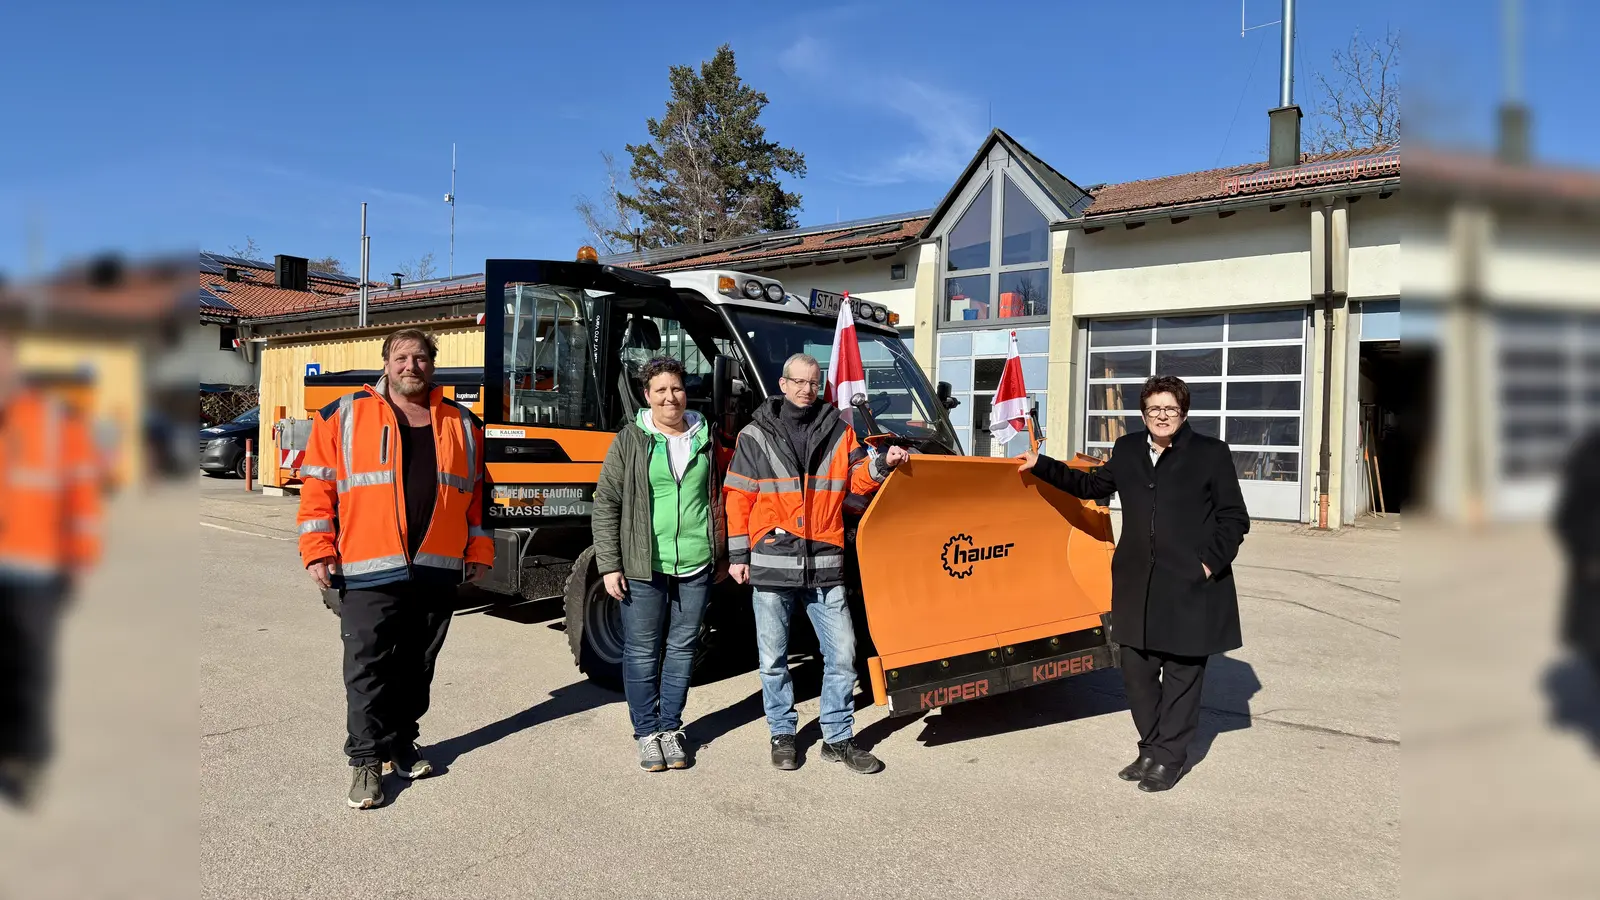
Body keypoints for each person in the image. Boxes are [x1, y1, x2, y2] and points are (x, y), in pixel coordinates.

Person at [1018, 374, 1249, 793]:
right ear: (1144, 413)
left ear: (1184, 412)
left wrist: (1206, 565)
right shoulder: (1127, 450)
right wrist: (1043, 465)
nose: (1162, 416)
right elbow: (1090, 486)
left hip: (1189, 587)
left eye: (1170, 409)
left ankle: (1170, 759)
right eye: (1154, 409)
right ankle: (1150, 747)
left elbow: (1234, 518)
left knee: (1181, 676)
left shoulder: (1211, 454)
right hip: (1136, 584)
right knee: (1137, 674)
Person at [297, 328, 493, 810]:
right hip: (367, 567)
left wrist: (480, 552)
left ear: (433, 364)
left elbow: (477, 499)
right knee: (367, 666)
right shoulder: (342, 416)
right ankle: (366, 760)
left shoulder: (464, 424)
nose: (411, 366)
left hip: (437, 568)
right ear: (385, 363)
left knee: (417, 665)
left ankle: (402, 744)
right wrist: (318, 548)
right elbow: (318, 488)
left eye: (421, 357)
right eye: (401, 357)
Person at [724, 353, 909, 774]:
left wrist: (882, 464)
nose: (807, 389)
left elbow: (856, 478)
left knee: (842, 655)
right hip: (772, 563)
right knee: (773, 659)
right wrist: (737, 555)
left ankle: (838, 739)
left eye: (814, 382)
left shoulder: (840, 431)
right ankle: (782, 733)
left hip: (824, 564)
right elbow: (737, 496)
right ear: (783, 384)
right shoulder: (755, 435)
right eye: (799, 382)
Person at [592, 356, 726, 772]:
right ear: (646, 396)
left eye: (677, 388)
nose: (671, 397)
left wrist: (722, 552)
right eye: (661, 390)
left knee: (684, 647)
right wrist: (609, 564)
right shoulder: (630, 439)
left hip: (696, 562)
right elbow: (607, 503)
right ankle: (647, 732)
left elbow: (720, 498)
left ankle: (671, 727)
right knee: (642, 650)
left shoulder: (706, 436)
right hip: (643, 562)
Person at [0, 334, 101, 808]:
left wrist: (79, 560)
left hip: (36, 568)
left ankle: (22, 759)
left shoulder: (55, 422)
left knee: (28, 668)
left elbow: (82, 499)